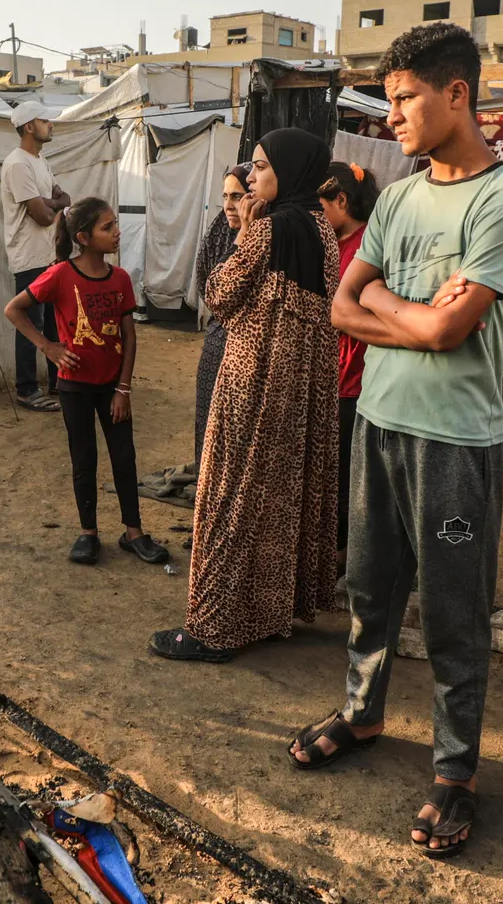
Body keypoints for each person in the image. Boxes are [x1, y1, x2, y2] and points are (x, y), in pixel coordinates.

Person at [290, 22, 503, 860]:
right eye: (388, 99)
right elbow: (343, 307)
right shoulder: (396, 198)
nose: (391, 115)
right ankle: (363, 713)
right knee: (369, 586)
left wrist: (395, 307)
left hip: (454, 442)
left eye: (404, 98)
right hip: (379, 422)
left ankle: (456, 771)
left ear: (456, 94)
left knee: (454, 613)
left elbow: (447, 332)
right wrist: (416, 313)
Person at [150, 128, 340, 663]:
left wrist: (245, 236)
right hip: (302, 387)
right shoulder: (321, 228)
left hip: (253, 380)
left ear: (288, 169)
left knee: (229, 497)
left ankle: (215, 628)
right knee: (279, 498)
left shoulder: (268, 228)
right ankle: (268, 613)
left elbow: (218, 294)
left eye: (260, 166)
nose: (251, 177)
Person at [3, 198, 165, 566]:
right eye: (107, 227)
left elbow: (129, 336)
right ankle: (88, 532)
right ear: (83, 237)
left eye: (115, 224)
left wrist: (123, 389)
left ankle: (133, 532)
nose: (117, 232)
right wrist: (47, 347)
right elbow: (14, 309)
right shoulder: (60, 275)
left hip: (112, 387)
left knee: (124, 457)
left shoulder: (120, 278)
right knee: (83, 458)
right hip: (74, 387)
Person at [318, 161, 380, 574]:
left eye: (320, 207)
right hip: (329, 374)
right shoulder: (334, 242)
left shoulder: (365, 248)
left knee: (343, 473)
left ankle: (341, 558)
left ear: (341, 200)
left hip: (352, 377)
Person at [3, 102, 72, 412]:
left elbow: (64, 198)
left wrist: (49, 202)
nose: (51, 124)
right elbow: (43, 217)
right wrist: (52, 204)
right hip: (28, 256)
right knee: (30, 322)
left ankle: (59, 380)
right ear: (29, 127)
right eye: (45, 121)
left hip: (47, 255)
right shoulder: (17, 164)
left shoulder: (41, 161)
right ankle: (26, 389)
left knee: (55, 321)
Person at [192, 164, 248, 463]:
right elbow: (209, 286)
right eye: (225, 196)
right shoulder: (220, 232)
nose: (228, 205)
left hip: (250, 354)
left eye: (237, 196)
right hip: (217, 344)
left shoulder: (268, 237)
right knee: (209, 428)